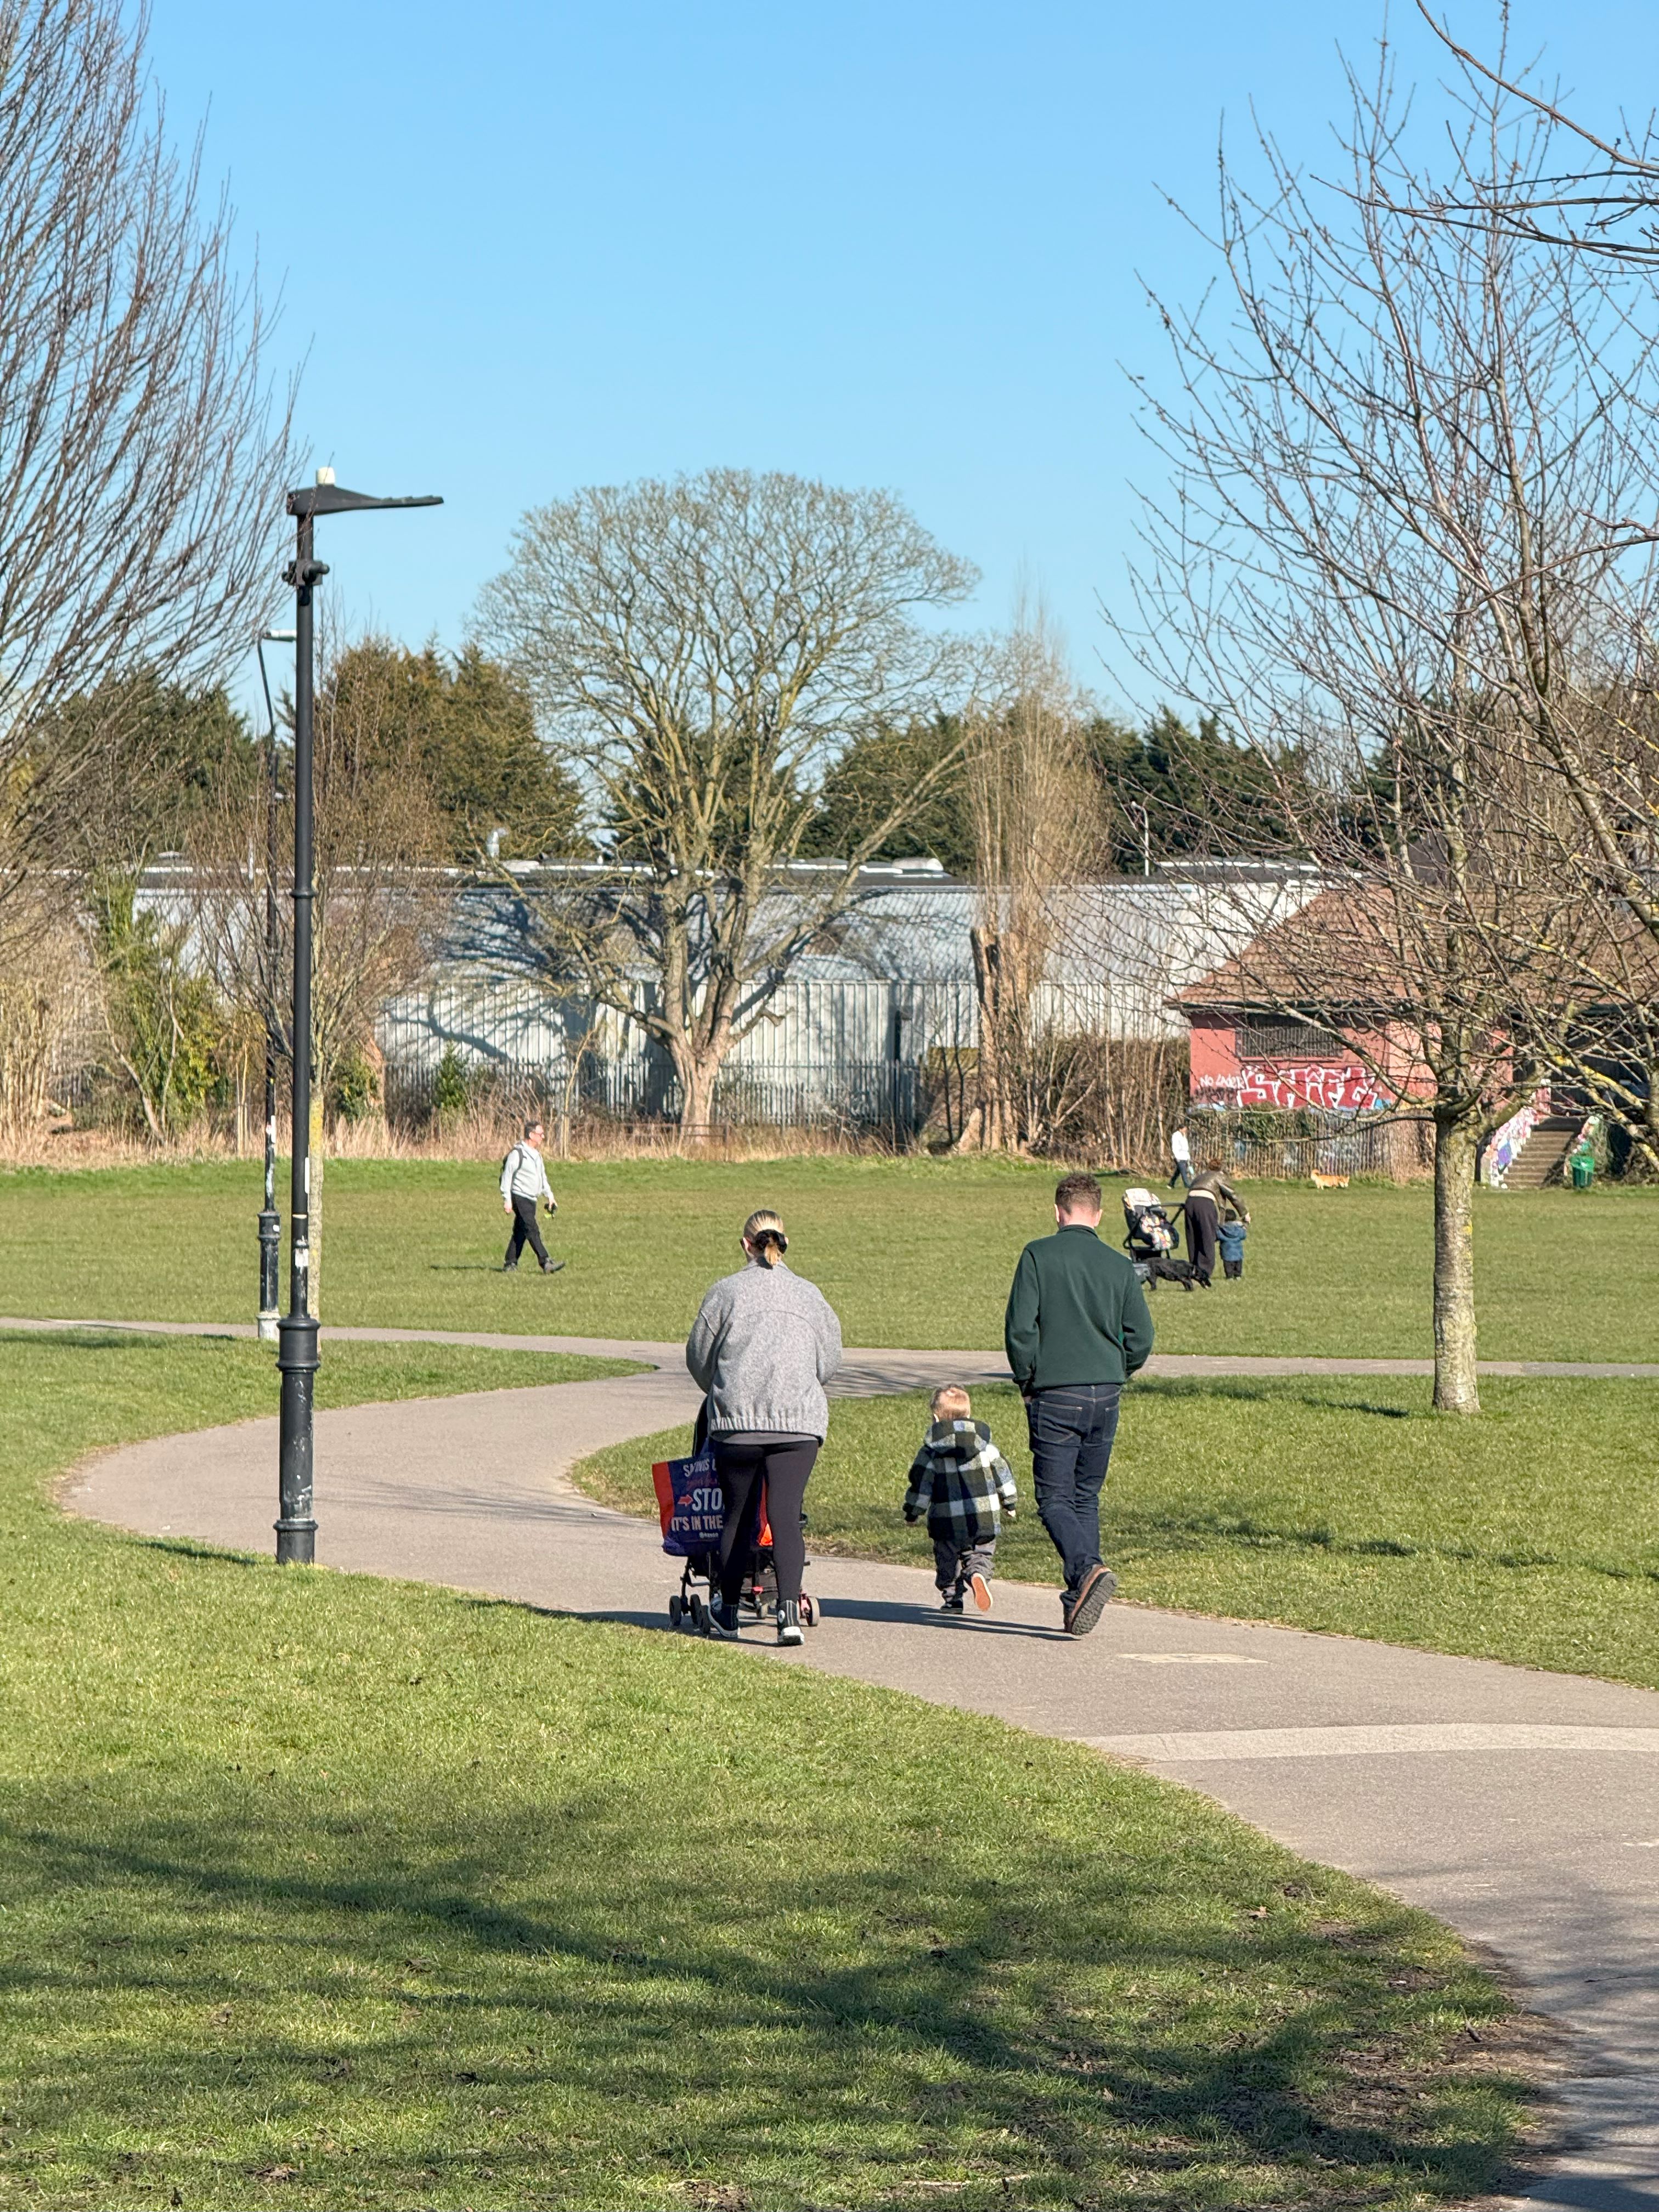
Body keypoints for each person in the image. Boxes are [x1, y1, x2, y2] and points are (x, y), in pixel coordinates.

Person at [1005, 1170, 1154, 1637]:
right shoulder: (1118, 1265)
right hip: (1106, 1392)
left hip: (1055, 1391)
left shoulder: (1037, 1255)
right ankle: (1079, 1597)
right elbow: (1142, 1336)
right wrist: (1118, 1368)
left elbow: (1020, 1330)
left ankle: (1089, 1568)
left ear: (1057, 1211)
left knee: (1054, 1499)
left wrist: (1027, 1378)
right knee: (1085, 1496)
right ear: (1100, 1215)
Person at [685, 1208, 843, 1646]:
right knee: (786, 1516)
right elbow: (830, 1361)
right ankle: (788, 1613)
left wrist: (722, 1389)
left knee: (738, 1516)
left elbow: (699, 1358)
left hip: (738, 1424)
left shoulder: (725, 1293)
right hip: (798, 1425)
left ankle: (727, 1610)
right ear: (785, 1243)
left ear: (746, 1245)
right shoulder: (810, 1295)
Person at [902, 1384, 1017, 1616]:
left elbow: (921, 1484)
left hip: (947, 1520)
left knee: (948, 1558)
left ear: (936, 1418)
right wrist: (1010, 1502)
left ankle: (953, 1598)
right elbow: (1003, 1473)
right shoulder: (986, 1447)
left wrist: (913, 1512)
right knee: (981, 1552)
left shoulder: (931, 1452)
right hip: (983, 1518)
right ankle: (978, 1574)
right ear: (969, 1414)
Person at [499, 1119, 563, 1274]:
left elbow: (543, 1178)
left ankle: (510, 1263)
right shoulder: (517, 1154)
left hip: (532, 1199)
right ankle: (546, 1261)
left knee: (521, 1231)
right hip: (519, 1197)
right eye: (541, 1134)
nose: (543, 1137)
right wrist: (507, 1200)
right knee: (532, 1228)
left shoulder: (537, 1156)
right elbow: (507, 1177)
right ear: (531, 1135)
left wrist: (550, 1196)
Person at [1183, 1160, 1248, 1287]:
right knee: (1207, 1237)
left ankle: (1194, 1269)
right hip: (1205, 1204)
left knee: (1193, 1237)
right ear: (1221, 1170)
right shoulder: (1219, 1176)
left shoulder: (1201, 1177)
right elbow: (1233, 1195)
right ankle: (1204, 1272)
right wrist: (1244, 1213)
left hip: (1190, 1203)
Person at [1217, 1210, 1248, 1280]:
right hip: (1238, 1253)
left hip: (1227, 1253)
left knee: (1228, 1266)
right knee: (1238, 1266)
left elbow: (1218, 1236)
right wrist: (1244, 1226)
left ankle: (1230, 1277)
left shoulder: (1222, 1229)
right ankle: (1238, 1276)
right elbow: (1243, 1235)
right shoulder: (1239, 1229)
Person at [1168, 1125, 1194, 1189]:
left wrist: (1188, 1157)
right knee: (1183, 1171)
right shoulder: (1176, 1135)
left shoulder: (1184, 1136)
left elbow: (1186, 1147)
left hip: (1185, 1157)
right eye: (1184, 1129)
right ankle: (1187, 1185)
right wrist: (1177, 1157)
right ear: (1180, 1129)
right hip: (1179, 1157)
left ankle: (1171, 1184)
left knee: (1178, 1171)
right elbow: (1175, 1147)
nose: (1185, 1130)